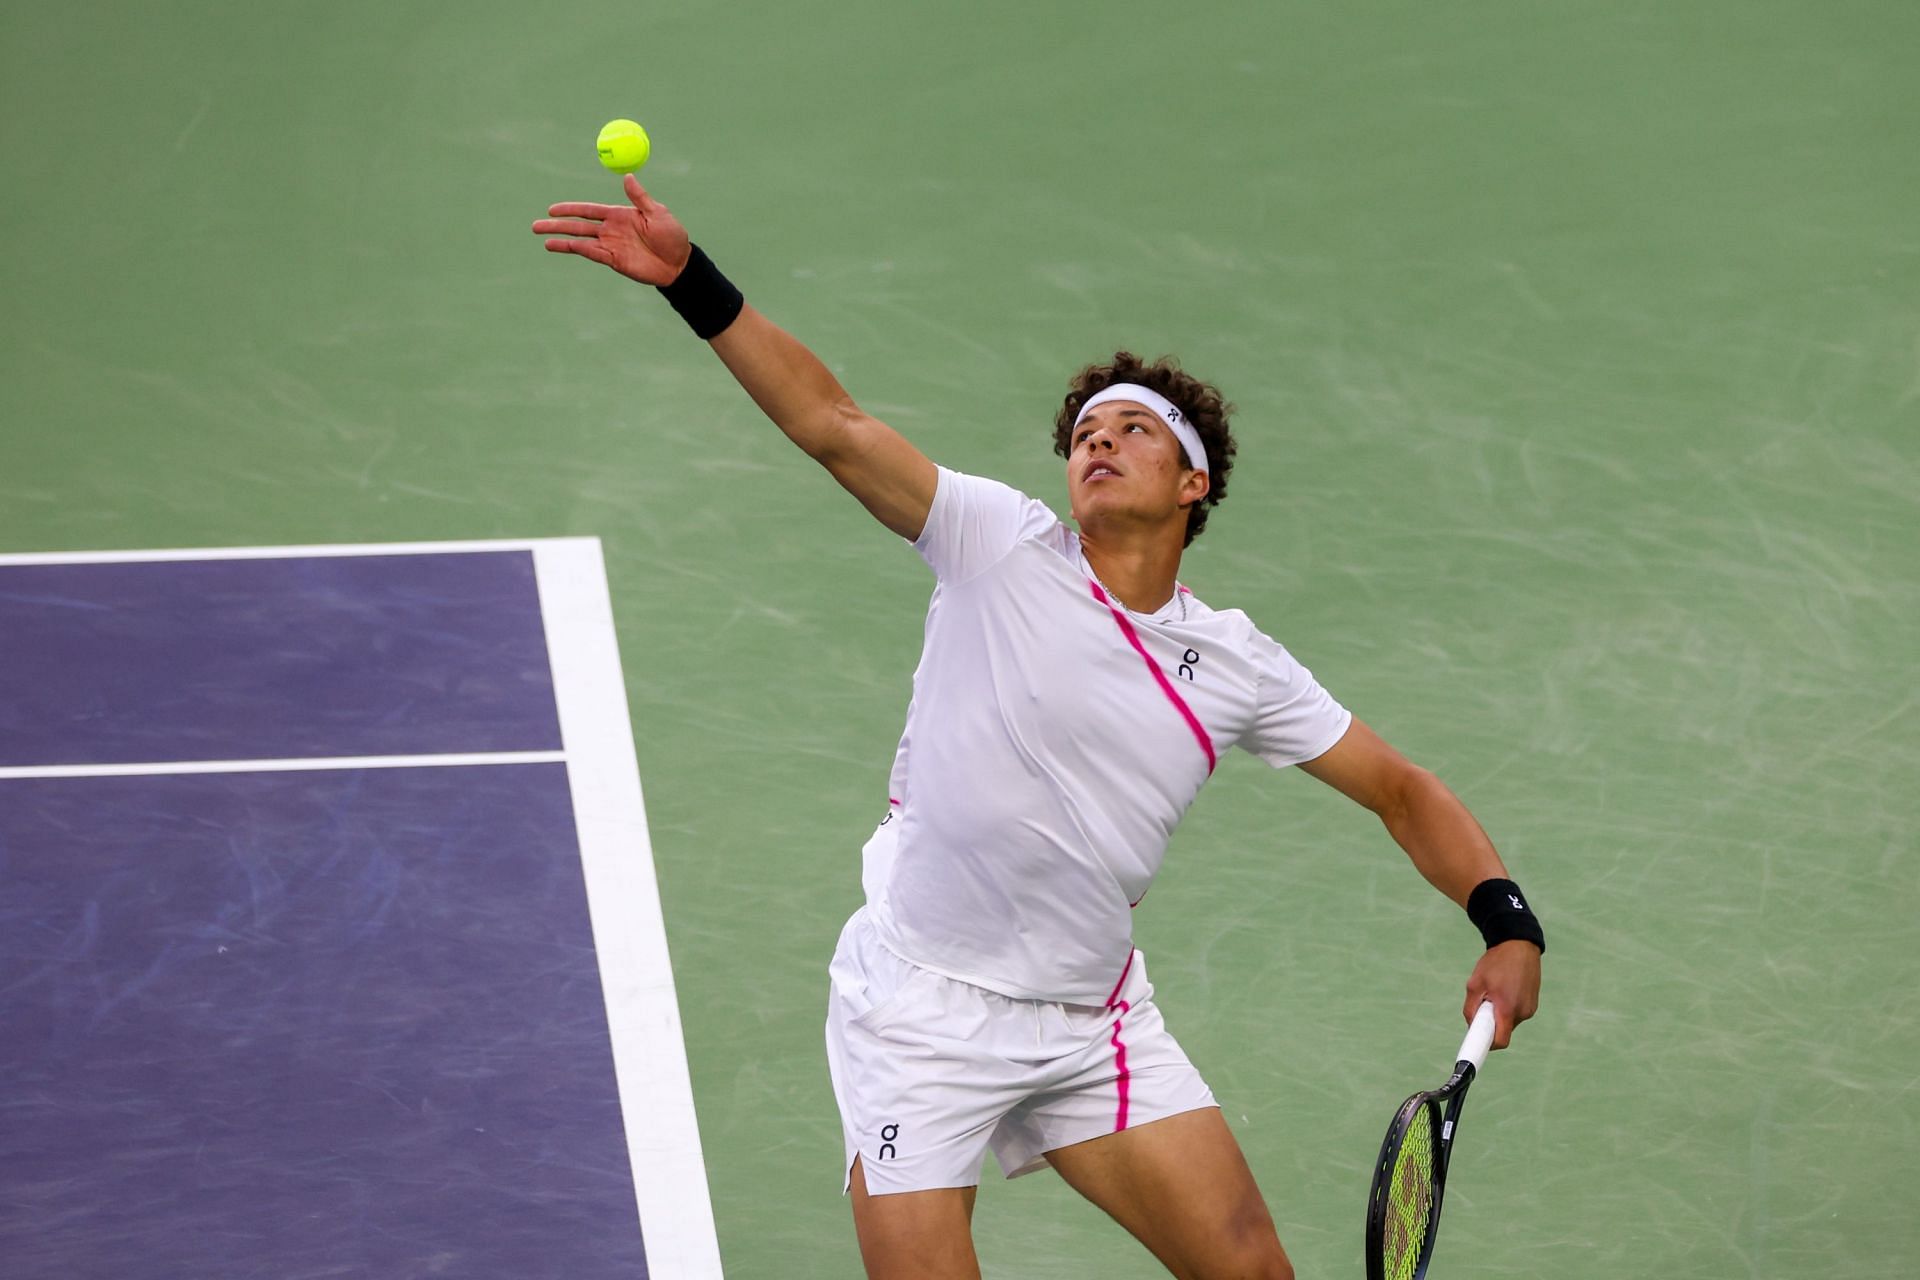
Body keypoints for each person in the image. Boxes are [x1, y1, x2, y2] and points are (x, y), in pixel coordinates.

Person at [533, 176, 1545, 1280]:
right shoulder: (997, 545)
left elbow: (1401, 788)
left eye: (1131, 430)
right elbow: (834, 425)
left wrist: (1509, 924)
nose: (1096, 443)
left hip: (1091, 1021)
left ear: (1193, 479)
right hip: (919, 1010)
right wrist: (693, 281)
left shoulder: (1237, 663)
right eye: (1083, 434)